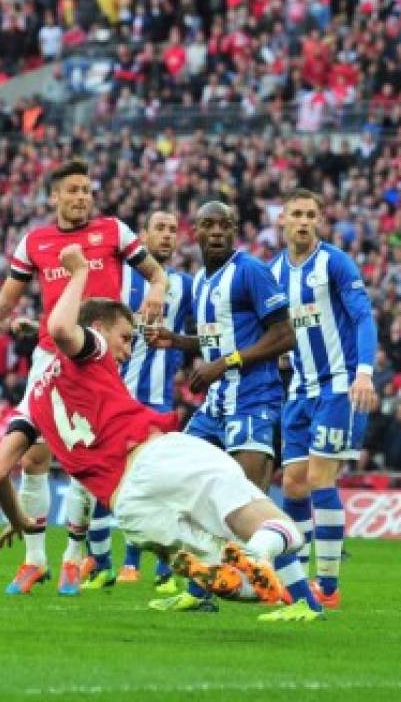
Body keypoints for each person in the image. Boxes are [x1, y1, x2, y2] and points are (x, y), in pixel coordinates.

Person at [0, 244, 305, 620]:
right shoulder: (93, 347)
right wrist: (79, 274)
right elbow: (59, 328)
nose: (126, 349)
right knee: (283, 530)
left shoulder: (33, 401)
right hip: (154, 457)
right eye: (125, 337)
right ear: (100, 329)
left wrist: (18, 517)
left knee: (232, 578)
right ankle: (260, 551)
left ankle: (244, 561)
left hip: (131, 509)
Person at [0, 160, 169, 596]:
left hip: (96, 361)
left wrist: (157, 290)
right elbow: (7, 298)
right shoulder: (35, 242)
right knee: (32, 460)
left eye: (87, 189)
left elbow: (155, 273)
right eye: (73, 190)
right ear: (54, 197)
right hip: (49, 359)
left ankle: (73, 556)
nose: (82, 197)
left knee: (84, 460)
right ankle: (34, 560)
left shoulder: (114, 232)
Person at [146, 200, 299, 615]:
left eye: (225, 225)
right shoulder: (200, 281)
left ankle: (302, 597)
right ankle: (201, 592)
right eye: (208, 225)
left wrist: (223, 364)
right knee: (182, 487)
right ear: (194, 232)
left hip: (253, 398)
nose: (216, 231)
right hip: (215, 405)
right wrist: (176, 341)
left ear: (235, 231)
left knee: (246, 502)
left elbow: (284, 336)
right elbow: (217, 339)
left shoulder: (250, 271)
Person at [269, 188, 379, 612]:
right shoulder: (274, 272)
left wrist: (363, 373)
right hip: (299, 388)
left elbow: (362, 316)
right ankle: (296, 579)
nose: (303, 221)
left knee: (319, 477)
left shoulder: (334, 262)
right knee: (293, 482)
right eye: (295, 213)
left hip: (337, 385)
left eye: (310, 214)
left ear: (317, 219)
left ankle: (328, 585)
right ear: (282, 219)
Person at [82, 210, 194, 594]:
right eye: (159, 228)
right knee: (106, 481)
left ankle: (158, 568)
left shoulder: (185, 286)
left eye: (172, 230)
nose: (166, 236)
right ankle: (102, 564)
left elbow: (202, 334)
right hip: (113, 397)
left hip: (159, 400)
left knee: (156, 484)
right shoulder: (119, 277)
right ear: (142, 235)